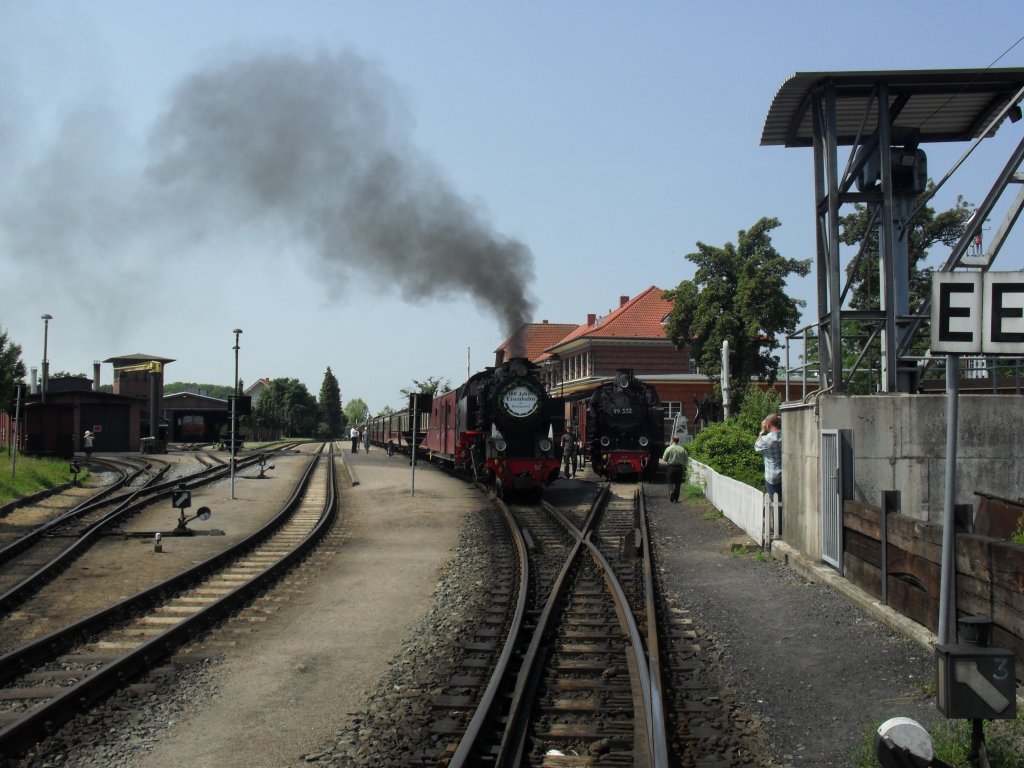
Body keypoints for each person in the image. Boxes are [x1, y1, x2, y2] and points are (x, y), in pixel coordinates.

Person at [754, 413, 783, 502]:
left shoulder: (766, 439)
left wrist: (762, 431)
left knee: (775, 503)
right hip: (785, 474)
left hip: (772, 476)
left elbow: (756, 447)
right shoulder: (785, 434)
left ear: (768, 425)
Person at [661, 435, 687, 502]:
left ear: (672, 440)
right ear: (678, 441)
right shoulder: (682, 449)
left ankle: (671, 491)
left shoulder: (669, 448)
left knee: (670, 481)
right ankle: (676, 499)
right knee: (678, 483)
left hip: (671, 467)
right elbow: (686, 459)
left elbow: (664, 459)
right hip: (680, 467)